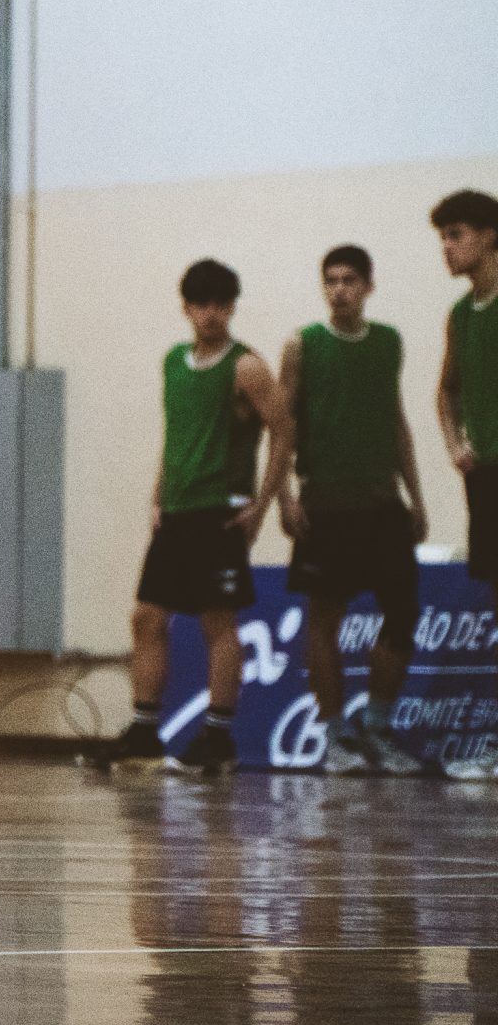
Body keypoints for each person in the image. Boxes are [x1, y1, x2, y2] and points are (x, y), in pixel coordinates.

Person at [101, 260, 290, 776]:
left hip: (219, 512)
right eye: (201, 303)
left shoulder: (246, 367)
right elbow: (176, 435)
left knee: (217, 622)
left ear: (232, 307)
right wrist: (157, 496)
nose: (211, 313)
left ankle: (218, 736)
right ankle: (145, 731)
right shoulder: (173, 363)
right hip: (177, 511)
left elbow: (284, 430)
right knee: (147, 617)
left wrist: (263, 503)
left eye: (221, 304)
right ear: (186, 308)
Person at [276, 245, 427, 775]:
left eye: (349, 280)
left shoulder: (388, 342)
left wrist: (417, 496)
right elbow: (283, 425)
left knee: (403, 615)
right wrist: (284, 496)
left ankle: (378, 729)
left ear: (368, 286)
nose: (339, 289)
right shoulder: (302, 344)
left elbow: (396, 420)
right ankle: (337, 735)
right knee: (324, 620)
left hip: (383, 503)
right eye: (331, 280)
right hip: (326, 506)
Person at [433, 189, 498, 780]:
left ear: (489, 236)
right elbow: (447, 389)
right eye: (443, 238)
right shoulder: (460, 315)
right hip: (487, 477)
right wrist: (456, 443)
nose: (447, 248)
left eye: (456, 235)